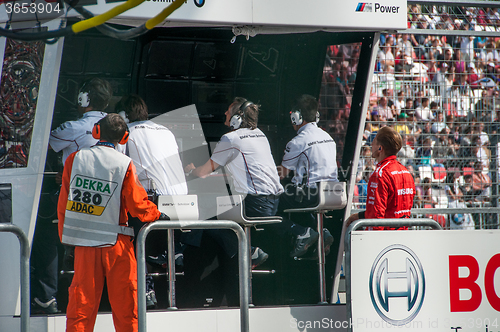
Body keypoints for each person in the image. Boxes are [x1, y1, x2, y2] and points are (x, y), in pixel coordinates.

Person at [57, 113, 168, 332]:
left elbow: (64, 203)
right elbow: (137, 205)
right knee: (127, 307)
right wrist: (158, 215)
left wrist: (66, 236)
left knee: (81, 307)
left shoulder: (75, 159)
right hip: (117, 244)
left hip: (85, 244)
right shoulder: (124, 163)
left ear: (96, 131)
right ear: (124, 137)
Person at [31, 78, 112, 314]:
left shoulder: (73, 127)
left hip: (76, 199)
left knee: (47, 236)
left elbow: (37, 146)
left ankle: (46, 297)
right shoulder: (117, 125)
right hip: (107, 201)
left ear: (83, 100)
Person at [184, 97, 283, 268]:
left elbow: (202, 173)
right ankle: (247, 253)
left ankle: (183, 253)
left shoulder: (231, 138)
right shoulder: (261, 134)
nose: (224, 113)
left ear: (237, 117)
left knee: (204, 211)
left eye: (228, 111)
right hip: (272, 203)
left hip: (255, 203)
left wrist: (190, 170)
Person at [116, 94, 188, 308]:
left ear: (123, 115)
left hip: (155, 201)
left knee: (129, 236)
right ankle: (172, 252)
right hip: (183, 202)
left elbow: (118, 167)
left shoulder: (127, 133)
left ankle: (146, 289)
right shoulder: (166, 130)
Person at [275, 94, 338, 258]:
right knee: (295, 198)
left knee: (270, 204)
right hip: (335, 192)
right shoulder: (328, 137)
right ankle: (321, 232)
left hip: (313, 193)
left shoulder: (297, 142)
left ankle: (301, 233)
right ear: (316, 116)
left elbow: (282, 173)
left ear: (297, 117)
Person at [346, 126, 415, 229]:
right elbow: (392, 208)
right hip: (402, 235)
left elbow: (376, 217)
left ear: (380, 148)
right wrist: (358, 216)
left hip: (383, 238)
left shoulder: (380, 174)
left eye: (373, 142)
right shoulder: (406, 172)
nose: (371, 145)